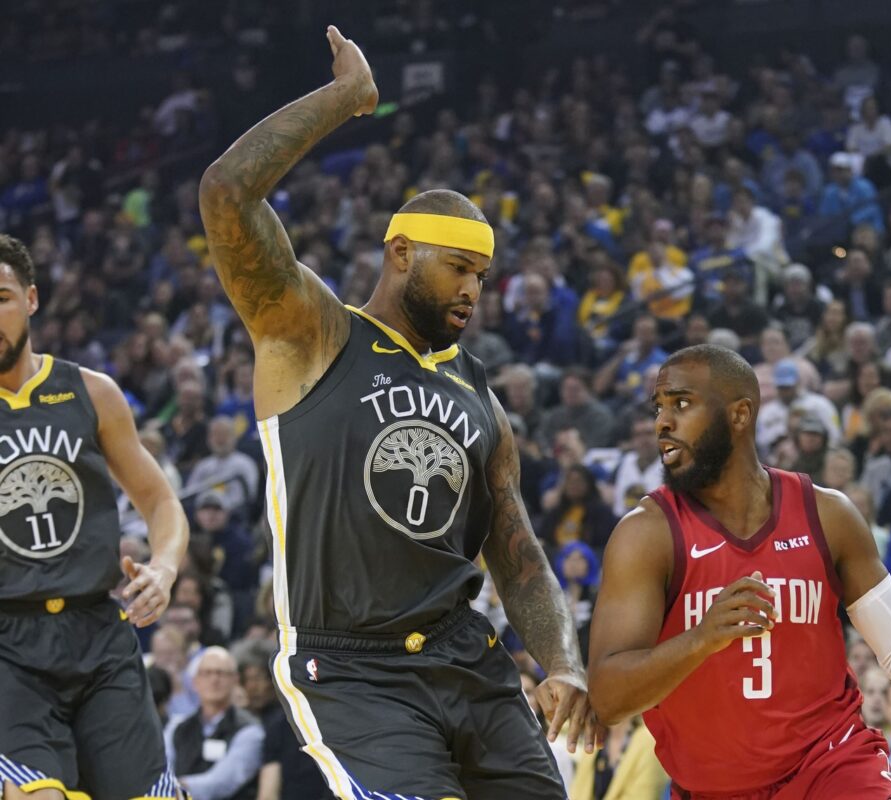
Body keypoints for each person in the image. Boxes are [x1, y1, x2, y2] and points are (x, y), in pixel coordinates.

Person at [198, 28, 597, 799]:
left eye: (482, 274)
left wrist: (564, 664)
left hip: (464, 657)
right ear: (402, 252)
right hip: (350, 666)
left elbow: (515, 553)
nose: (473, 291)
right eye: (458, 267)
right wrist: (345, 99)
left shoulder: (479, 394)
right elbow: (226, 193)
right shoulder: (314, 333)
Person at [587, 344, 891, 799]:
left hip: (832, 765)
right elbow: (608, 698)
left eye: (681, 404)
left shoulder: (826, 514)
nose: (662, 423)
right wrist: (701, 638)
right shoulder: (647, 535)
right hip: (712, 788)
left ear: (740, 415)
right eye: (659, 407)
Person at [0, 234, 189, 798]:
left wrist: (165, 567)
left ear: (31, 299)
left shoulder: (91, 392)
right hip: (10, 646)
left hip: (99, 634)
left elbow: (159, 501)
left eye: (1, 297)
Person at [164, 647, 264, 800]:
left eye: (221, 673)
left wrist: (171, 790)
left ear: (235, 680)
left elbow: (222, 782)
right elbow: (162, 768)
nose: (214, 680)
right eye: (207, 673)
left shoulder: (250, 731)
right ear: (195, 681)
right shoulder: (176, 726)